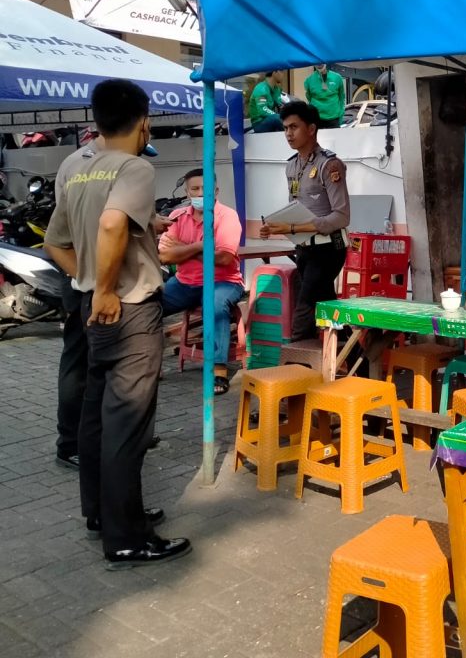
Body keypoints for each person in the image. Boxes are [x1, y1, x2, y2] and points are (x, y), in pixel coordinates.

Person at [43, 79, 191, 570]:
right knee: (128, 424)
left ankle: (102, 514)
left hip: (94, 309)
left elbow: (54, 244)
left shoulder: (79, 170)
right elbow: (110, 225)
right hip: (128, 310)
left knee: (95, 417)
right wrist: (106, 288)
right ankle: (128, 537)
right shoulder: (134, 168)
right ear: (144, 120)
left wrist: (87, 280)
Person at [259, 101, 350, 340]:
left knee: (304, 309)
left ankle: (295, 364)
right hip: (304, 249)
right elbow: (296, 208)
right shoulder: (291, 166)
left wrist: (291, 227)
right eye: (285, 128)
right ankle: (359, 360)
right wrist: (275, 227)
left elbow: (341, 216)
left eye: (294, 127)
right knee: (330, 309)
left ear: (311, 129)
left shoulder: (329, 165)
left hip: (329, 248)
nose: (288, 133)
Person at [159, 168, 245, 396]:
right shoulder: (177, 217)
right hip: (185, 282)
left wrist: (184, 249)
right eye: (194, 189)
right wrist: (201, 247)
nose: (200, 193)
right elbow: (165, 256)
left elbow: (224, 258)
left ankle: (219, 372)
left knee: (215, 306)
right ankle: (149, 362)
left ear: (216, 190)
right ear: (187, 192)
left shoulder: (227, 217)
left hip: (224, 281)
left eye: (205, 189)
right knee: (148, 304)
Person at [55, 275, 86, 469]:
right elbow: (54, 246)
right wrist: (85, 276)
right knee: (76, 365)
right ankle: (69, 446)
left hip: (93, 286)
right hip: (82, 289)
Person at [304, 64, 346, 128]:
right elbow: (309, 97)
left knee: (334, 138)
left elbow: (342, 97)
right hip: (316, 118)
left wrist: (340, 114)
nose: (319, 64)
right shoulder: (309, 80)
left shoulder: (337, 78)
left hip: (334, 119)